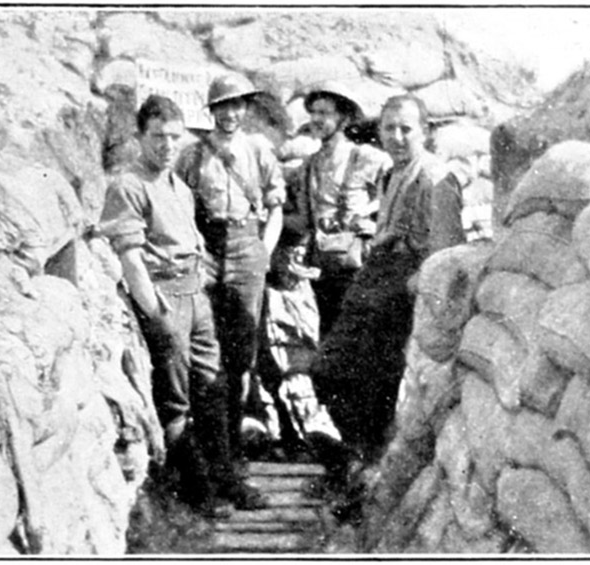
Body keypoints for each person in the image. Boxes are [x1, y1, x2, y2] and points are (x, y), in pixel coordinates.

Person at [99, 95, 266, 517]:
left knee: (213, 387)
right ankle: (198, 488)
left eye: (175, 137)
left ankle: (227, 477)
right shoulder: (128, 185)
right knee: (177, 398)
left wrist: (202, 295)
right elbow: (131, 258)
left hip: (196, 294)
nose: (167, 145)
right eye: (158, 137)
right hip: (165, 296)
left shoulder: (179, 187)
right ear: (140, 137)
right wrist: (156, 315)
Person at [311, 93, 466, 482]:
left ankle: (367, 469)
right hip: (374, 284)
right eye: (389, 128)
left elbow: (444, 257)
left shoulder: (434, 178)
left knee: (376, 388)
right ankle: (359, 457)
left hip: (401, 298)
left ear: (425, 132)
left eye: (406, 129)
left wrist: (404, 293)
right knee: (327, 368)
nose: (397, 137)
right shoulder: (393, 172)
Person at [176, 73, 287, 464]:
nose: (231, 114)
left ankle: (235, 442)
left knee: (242, 352)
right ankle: (211, 444)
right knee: (206, 346)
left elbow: (276, 205)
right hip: (206, 247)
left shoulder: (258, 148)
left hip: (246, 245)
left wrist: (263, 250)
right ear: (212, 111)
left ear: (246, 109)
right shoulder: (193, 154)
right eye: (223, 106)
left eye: (237, 105)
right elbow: (179, 204)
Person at [286, 81, 392, 337]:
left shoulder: (368, 158)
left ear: (343, 118)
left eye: (325, 113)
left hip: (361, 267)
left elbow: (395, 201)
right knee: (329, 336)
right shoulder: (308, 166)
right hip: (325, 268)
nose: (317, 119)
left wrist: (371, 222)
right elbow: (303, 219)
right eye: (314, 113)